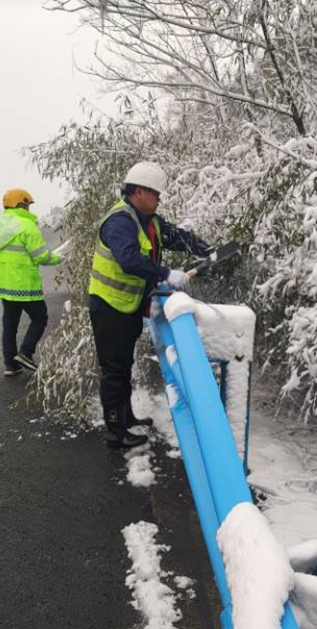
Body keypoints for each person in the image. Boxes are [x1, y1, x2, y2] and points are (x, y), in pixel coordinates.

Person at [89, 161, 211, 448]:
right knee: (114, 370)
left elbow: (176, 237)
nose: (159, 199)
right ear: (139, 192)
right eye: (156, 193)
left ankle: (126, 418)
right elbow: (129, 259)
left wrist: (207, 249)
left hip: (128, 306)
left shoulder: (149, 220)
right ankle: (115, 432)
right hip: (109, 307)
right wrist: (166, 273)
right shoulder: (120, 221)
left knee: (124, 365)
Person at [0, 188, 61, 377]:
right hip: (23, 284)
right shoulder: (27, 225)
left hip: (3, 284)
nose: (29, 209)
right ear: (21, 204)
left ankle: (11, 364)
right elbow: (40, 256)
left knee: (10, 323)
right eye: (27, 205)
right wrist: (59, 258)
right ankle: (26, 353)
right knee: (40, 317)